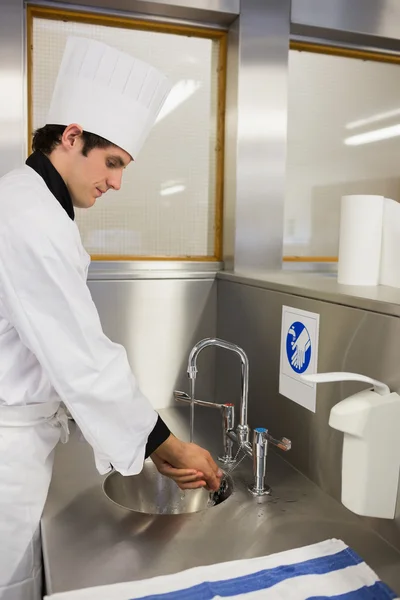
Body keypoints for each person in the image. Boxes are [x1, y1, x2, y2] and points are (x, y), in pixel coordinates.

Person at [0, 36, 222, 600]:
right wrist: (165, 444)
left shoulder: (35, 206)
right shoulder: (31, 218)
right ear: (71, 137)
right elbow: (82, 359)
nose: (118, 182)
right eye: (113, 162)